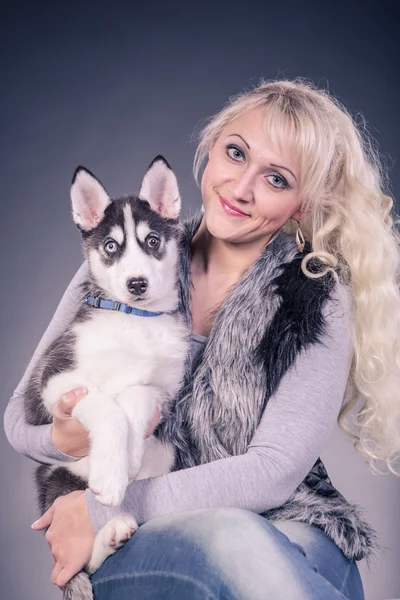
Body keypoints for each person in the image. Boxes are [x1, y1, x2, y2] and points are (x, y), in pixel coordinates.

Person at [4, 78, 400, 600]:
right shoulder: (125, 266)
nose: (241, 187)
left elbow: (272, 473)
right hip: (147, 535)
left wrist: (100, 505)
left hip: (291, 519)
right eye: (236, 153)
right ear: (210, 151)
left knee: (295, 567)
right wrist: (65, 440)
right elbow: (17, 424)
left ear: (303, 205)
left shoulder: (315, 296)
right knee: (232, 539)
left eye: (277, 179)